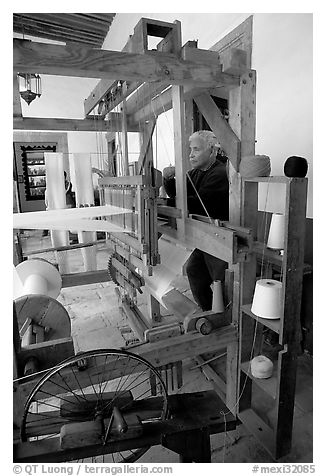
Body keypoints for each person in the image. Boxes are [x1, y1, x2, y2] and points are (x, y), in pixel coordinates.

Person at [163, 130, 229, 311]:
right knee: (194, 270)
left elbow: (196, 204)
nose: (191, 154)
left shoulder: (220, 174)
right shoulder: (195, 173)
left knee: (221, 283)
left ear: (212, 151)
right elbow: (178, 194)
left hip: (220, 237)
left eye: (196, 149)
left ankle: (224, 317)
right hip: (204, 236)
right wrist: (168, 180)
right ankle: (208, 311)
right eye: (191, 149)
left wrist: (163, 203)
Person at [42, 171, 75, 237]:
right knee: (48, 214)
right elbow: (47, 200)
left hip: (66, 204)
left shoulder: (67, 184)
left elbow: (64, 193)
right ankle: (46, 230)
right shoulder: (52, 187)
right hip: (57, 205)